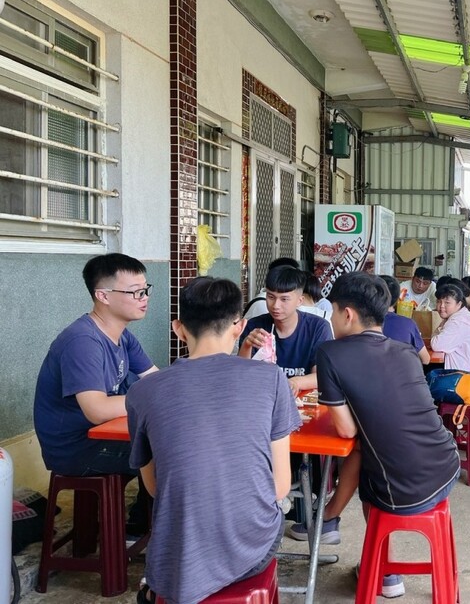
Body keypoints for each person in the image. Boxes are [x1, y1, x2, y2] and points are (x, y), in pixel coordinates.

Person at [128, 277, 300, 604]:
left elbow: (154, 488)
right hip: (253, 543)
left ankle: (159, 586)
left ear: (179, 329)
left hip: (178, 550)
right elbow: (279, 486)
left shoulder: (143, 393)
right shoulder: (271, 379)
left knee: (165, 560)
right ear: (240, 327)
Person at [305, 272, 460, 599]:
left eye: (333, 311)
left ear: (347, 314)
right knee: (369, 449)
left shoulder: (331, 353)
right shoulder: (404, 350)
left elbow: (346, 430)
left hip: (405, 488)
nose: (331, 319)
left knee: (371, 467)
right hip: (446, 467)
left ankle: (384, 570)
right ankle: (332, 520)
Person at [33, 253, 158, 533]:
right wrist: (146, 397)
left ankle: (144, 522)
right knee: (165, 448)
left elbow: (155, 380)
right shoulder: (83, 341)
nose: (144, 297)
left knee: (169, 441)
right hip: (75, 448)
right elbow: (97, 410)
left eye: (145, 289)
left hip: (102, 435)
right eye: (134, 292)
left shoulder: (123, 335)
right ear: (103, 295)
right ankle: (148, 527)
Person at [239, 265, 333, 394]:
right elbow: (241, 374)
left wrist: (295, 382)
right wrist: (246, 345)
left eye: (284, 299)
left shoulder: (318, 328)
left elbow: (321, 375)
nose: (276, 306)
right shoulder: (254, 326)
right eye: (271, 297)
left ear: (300, 301)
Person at [378, 274, 430, 364]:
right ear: (398, 298)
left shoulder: (359, 322)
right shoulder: (408, 324)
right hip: (400, 375)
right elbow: (426, 360)